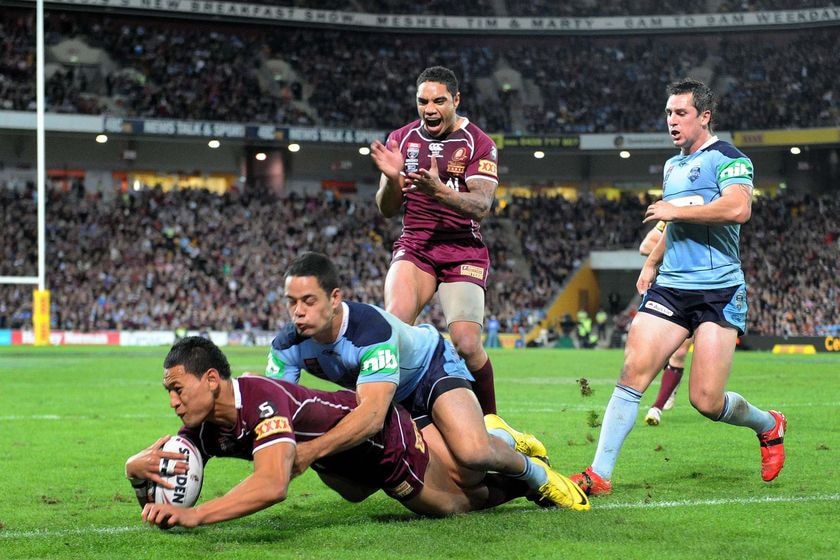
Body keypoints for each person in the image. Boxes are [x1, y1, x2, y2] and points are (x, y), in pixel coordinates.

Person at [570, 78, 786, 496]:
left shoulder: (730, 159)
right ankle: (599, 474)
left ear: (704, 116)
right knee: (633, 371)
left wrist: (672, 209)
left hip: (718, 291)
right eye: (668, 113)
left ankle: (768, 423)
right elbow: (674, 225)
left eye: (681, 113)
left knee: (706, 401)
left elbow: (738, 208)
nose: (672, 120)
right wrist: (652, 261)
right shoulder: (673, 166)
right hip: (671, 288)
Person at [266, 252, 588, 511]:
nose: (298, 312)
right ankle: (497, 434)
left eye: (308, 301)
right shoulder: (286, 346)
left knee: (474, 453)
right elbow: (281, 406)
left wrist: (311, 452)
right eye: (291, 302)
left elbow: (372, 417)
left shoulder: (368, 331)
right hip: (399, 399)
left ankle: (537, 474)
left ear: (334, 298)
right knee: (466, 481)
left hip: (430, 367)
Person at [126, 338, 556, 529]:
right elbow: (167, 481)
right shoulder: (201, 428)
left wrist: (197, 515)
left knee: (461, 502)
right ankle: (492, 451)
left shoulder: (261, 401)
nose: (174, 403)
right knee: (458, 475)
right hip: (342, 467)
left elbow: (273, 484)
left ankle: (524, 476)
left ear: (212, 379)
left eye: (178, 389)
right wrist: (134, 472)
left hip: (382, 442)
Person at [370, 65, 499, 414]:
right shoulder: (402, 139)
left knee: (468, 345)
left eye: (439, 101)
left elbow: (482, 205)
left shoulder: (479, 143)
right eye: (422, 101)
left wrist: (439, 191)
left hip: (462, 251)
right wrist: (391, 178)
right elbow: (387, 209)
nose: (430, 109)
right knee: (392, 332)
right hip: (416, 247)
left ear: (455, 100)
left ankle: (491, 424)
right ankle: (391, 425)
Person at [637, 221, 691, 427]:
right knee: (659, 349)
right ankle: (671, 380)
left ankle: (656, 407)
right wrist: (676, 255)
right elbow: (645, 247)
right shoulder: (672, 217)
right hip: (671, 289)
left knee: (680, 352)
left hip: (704, 289)